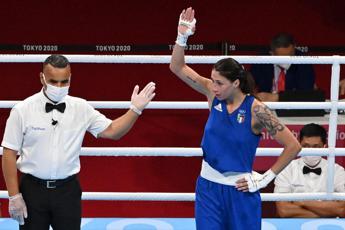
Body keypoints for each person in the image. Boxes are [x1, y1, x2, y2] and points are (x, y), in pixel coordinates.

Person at [170, 7, 301, 230]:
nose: (213, 86)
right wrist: (182, 36)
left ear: (236, 83)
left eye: (219, 82)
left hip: (241, 191)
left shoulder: (257, 110)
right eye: (212, 80)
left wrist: (266, 177)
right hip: (208, 189)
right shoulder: (212, 94)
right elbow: (177, 66)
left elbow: (293, 145)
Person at [1, 54, 156, 230]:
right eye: (53, 81)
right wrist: (14, 196)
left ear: (70, 78)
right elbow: (9, 153)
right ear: (41, 78)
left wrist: (135, 109)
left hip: (67, 191)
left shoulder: (81, 108)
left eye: (64, 81)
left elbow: (113, 131)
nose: (59, 87)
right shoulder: (22, 110)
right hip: (32, 191)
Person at [274, 123, 345, 218]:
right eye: (306, 146)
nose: (311, 150)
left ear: (324, 146)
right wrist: (326, 213)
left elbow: (342, 209)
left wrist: (302, 202)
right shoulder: (286, 169)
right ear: (299, 145)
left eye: (316, 146)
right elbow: (284, 210)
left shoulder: (338, 171)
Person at [250, 33, 316, 102]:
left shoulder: (303, 62)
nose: (286, 60)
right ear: (272, 53)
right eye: (282, 57)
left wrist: (278, 97)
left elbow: (306, 94)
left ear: (294, 48)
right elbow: (250, 86)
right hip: (265, 106)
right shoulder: (261, 61)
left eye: (290, 55)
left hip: (292, 107)